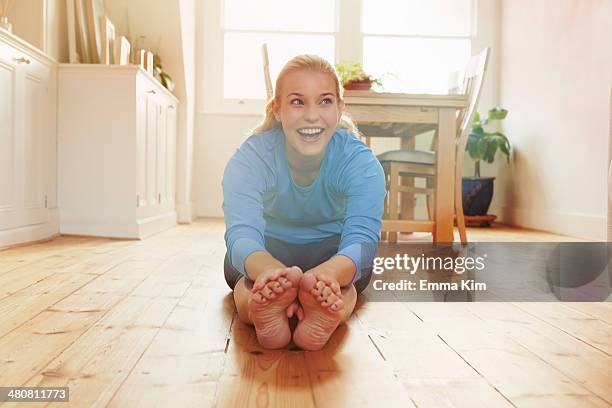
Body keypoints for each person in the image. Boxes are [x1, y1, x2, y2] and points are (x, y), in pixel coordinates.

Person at [222, 54, 385, 351]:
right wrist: (271, 273)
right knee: (244, 280)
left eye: (324, 101)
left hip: (333, 252)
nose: (312, 115)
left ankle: (325, 313)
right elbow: (241, 234)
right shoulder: (251, 158)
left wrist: (328, 275)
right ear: (278, 109)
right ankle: (261, 310)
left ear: (339, 109)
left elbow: (362, 240)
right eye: (298, 102)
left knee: (348, 284)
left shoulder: (359, 161)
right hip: (266, 251)